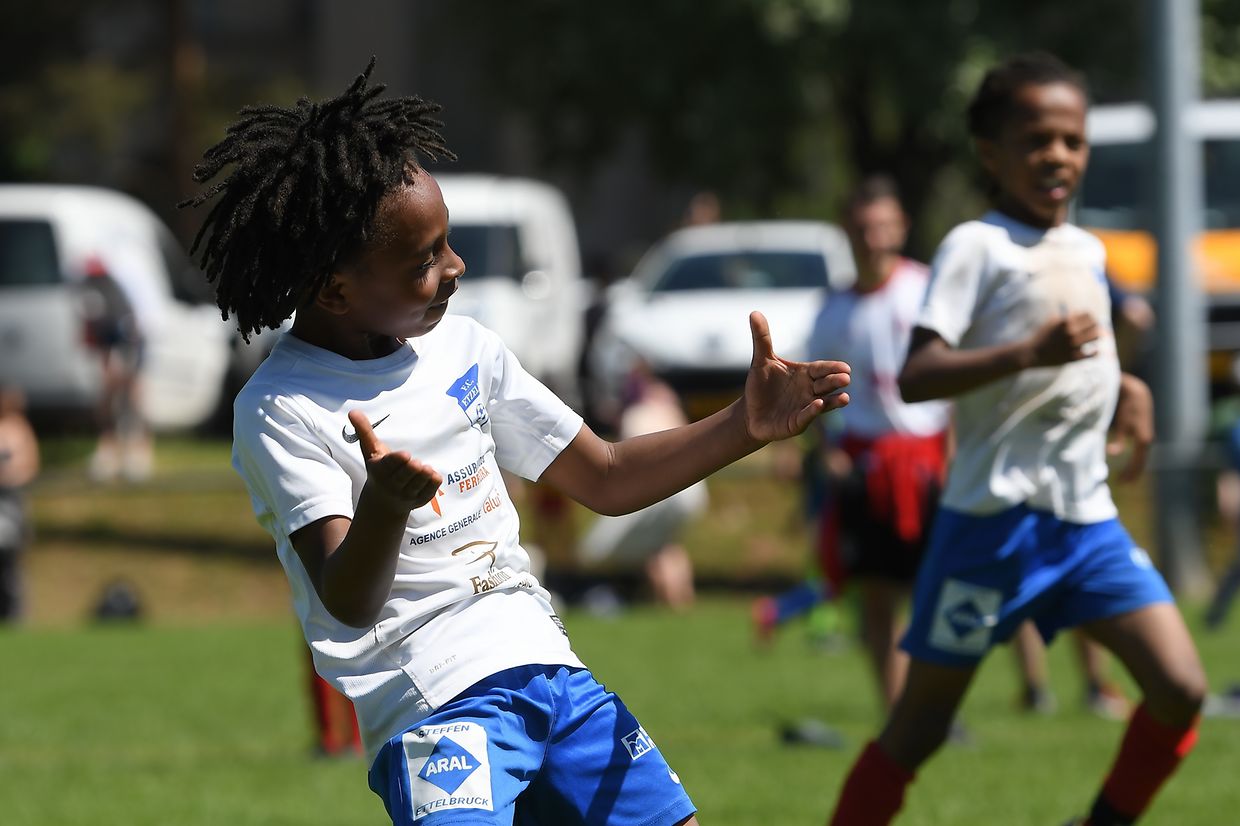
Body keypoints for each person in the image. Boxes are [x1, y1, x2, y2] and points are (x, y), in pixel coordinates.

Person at [181, 59, 851, 826]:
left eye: (448, 245)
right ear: (336, 289)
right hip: (435, 708)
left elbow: (606, 477)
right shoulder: (282, 406)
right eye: (424, 260)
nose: (455, 268)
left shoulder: (468, 349)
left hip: (547, 668)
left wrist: (743, 425)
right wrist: (387, 509)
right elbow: (349, 600)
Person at [827, 53, 1206, 826]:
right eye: (1035, 140)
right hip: (989, 533)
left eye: (1072, 139)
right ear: (990, 153)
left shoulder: (1091, 251)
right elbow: (921, 371)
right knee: (918, 732)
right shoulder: (978, 246)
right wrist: (1026, 354)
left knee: (1181, 689)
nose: (1057, 156)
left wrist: (1126, 387)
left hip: (1085, 524)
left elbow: (1084, 357)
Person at [801, 174, 952, 712]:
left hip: (927, 457)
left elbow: (954, 378)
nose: (874, 239)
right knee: (878, 595)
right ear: (848, 230)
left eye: (885, 226)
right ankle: (897, 710)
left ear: (902, 228)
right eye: (865, 228)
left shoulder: (926, 289)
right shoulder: (835, 309)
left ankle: (932, 709)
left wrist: (954, 453)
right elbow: (810, 387)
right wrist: (829, 449)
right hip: (868, 463)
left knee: (937, 594)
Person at [576, 360, 706, 611]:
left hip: (663, 490)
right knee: (667, 544)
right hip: (692, 490)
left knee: (647, 548)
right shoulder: (668, 403)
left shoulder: (635, 414)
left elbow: (634, 465)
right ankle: (681, 601)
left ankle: (669, 601)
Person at [0, 385, 39, 622]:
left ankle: (15, 616)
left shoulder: (19, 429)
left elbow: (29, 466)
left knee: (11, 564)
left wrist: (7, 475)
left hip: (11, 501)